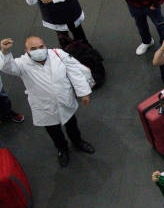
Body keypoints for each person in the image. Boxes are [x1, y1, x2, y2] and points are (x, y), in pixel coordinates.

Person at [0, 37, 94, 167]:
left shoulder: (58, 55)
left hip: (64, 99)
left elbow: (75, 71)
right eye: (33, 49)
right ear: (26, 51)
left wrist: (84, 92)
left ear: (45, 45)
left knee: (72, 124)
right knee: (54, 131)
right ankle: (62, 149)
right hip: (44, 106)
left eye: (40, 47)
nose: (38, 50)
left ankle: (78, 142)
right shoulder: (21, 64)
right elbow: (8, 67)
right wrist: (5, 52)